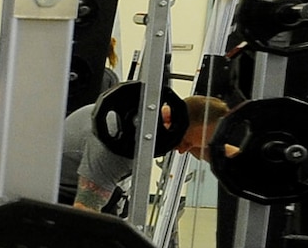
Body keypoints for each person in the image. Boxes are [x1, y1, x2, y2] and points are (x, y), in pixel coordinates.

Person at [58, 90, 227, 210]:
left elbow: (215, 152)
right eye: (185, 143)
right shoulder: (118, 146)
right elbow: (84, 210)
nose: (183, 151)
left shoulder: (156, 121)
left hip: (87, 184)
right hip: (60, 194)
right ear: (169, 120)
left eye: (193, 146)